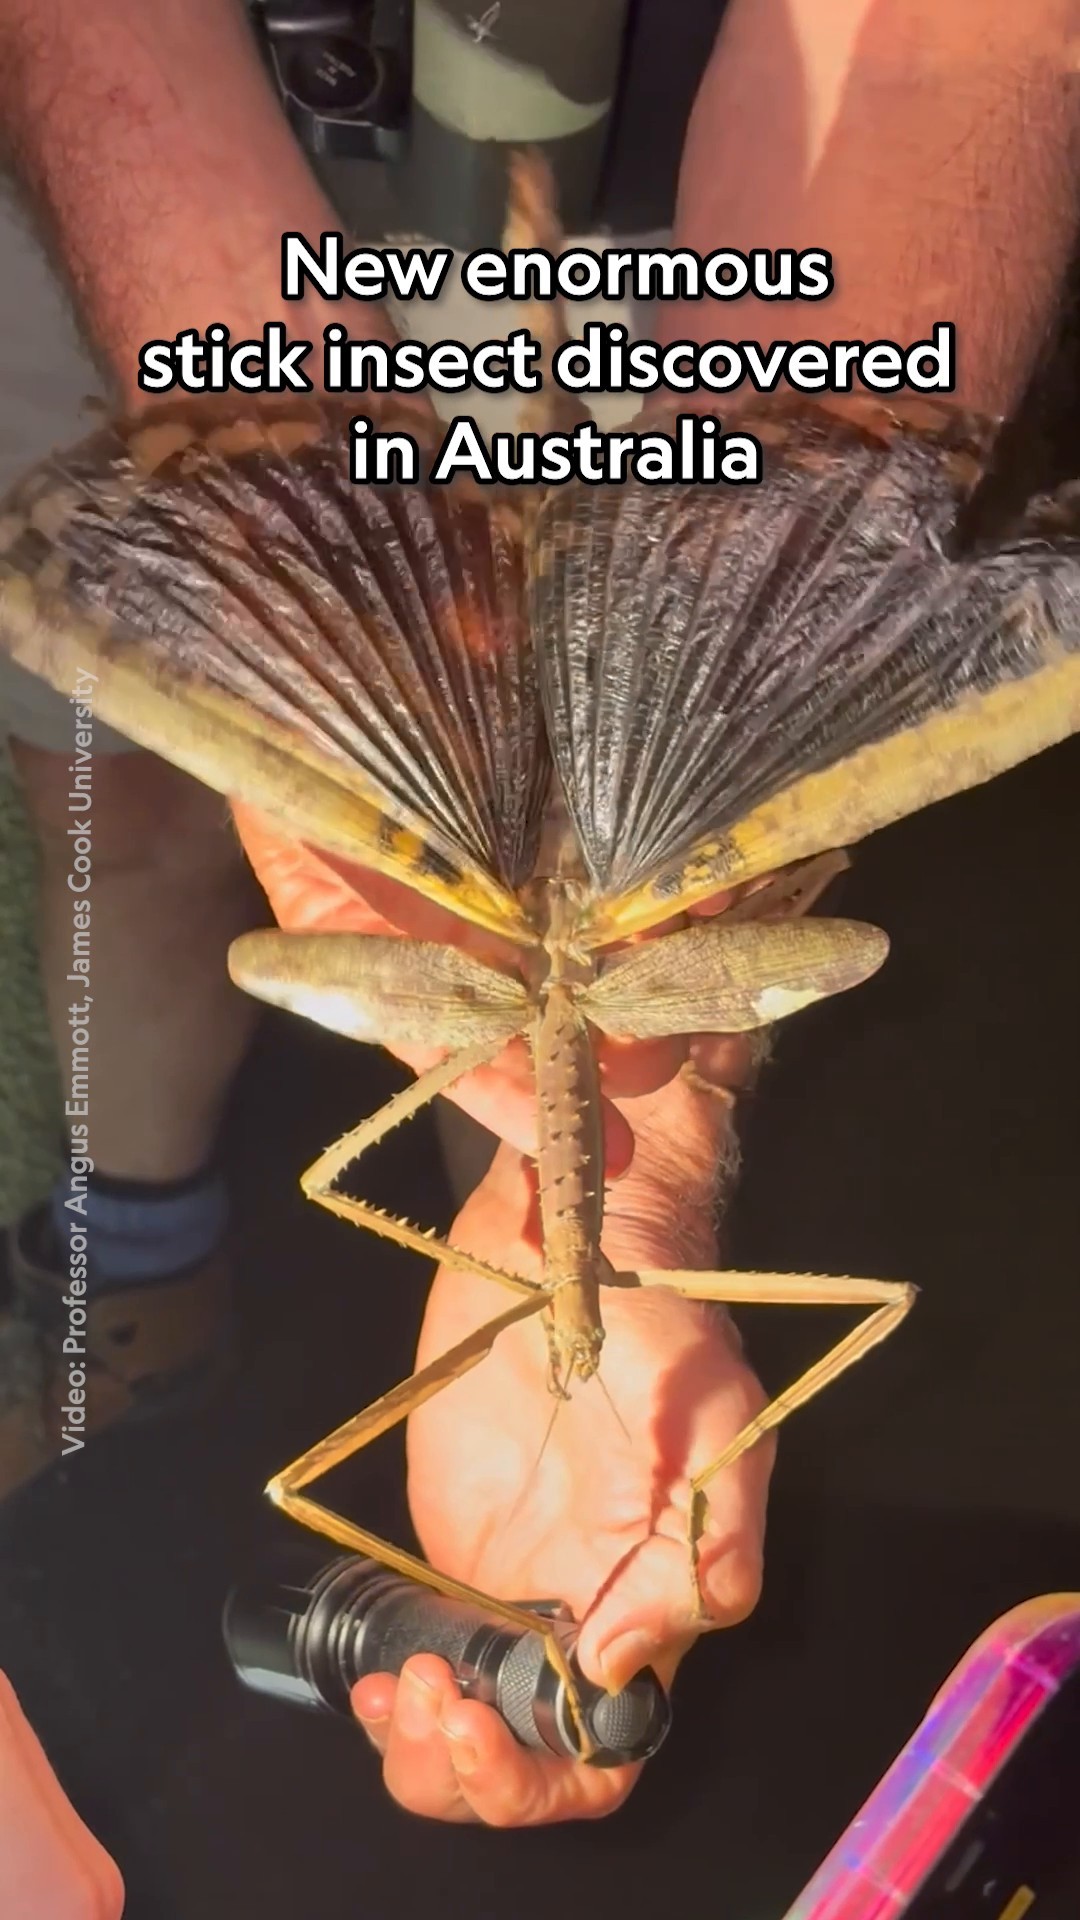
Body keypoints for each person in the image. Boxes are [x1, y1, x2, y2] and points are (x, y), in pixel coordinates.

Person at [0, 0, 1075, 1839]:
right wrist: (299, 541)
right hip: (186, 118)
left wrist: (617, 1189)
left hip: (687, 274)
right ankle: (136, 1244)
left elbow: (921, 55)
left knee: (201, 785)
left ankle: (140, 1249)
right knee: (143, 817)